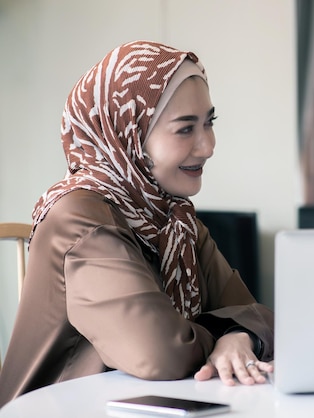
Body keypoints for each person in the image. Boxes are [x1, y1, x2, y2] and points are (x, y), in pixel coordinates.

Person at [0, 40, 273, 408]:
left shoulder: (175, 218)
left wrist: (242, 336)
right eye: (185, 129)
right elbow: (159, 353)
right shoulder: (79, 216)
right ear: (127, 134)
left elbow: (254, 314)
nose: (208, 145)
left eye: (209, 123)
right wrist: (228, 333)